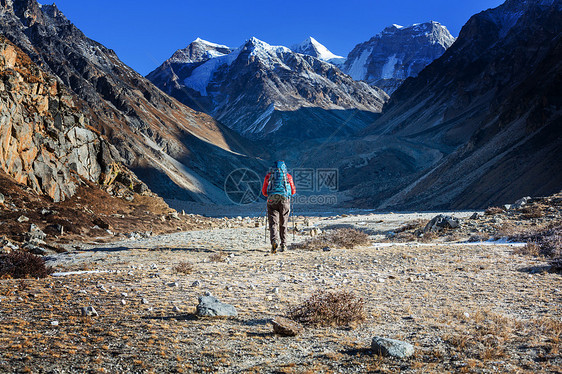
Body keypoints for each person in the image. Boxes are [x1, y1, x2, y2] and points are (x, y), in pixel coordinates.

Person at [262, 160, 296, 253]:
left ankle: (274, 241)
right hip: (284, 200)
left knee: (273, 223)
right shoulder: (288, 176)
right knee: (283, 222)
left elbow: (264, 192)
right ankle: (284, 244)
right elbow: (293, 191)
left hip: (271, 200)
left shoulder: (269, 176)